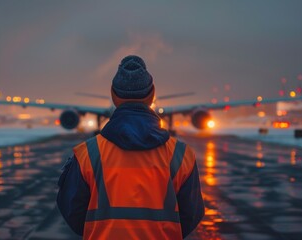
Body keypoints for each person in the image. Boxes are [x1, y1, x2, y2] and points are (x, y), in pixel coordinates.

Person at [57, 55, 204, 239]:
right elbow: (191, 214)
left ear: (113, 95)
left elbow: (72, 211)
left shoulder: (87, 153)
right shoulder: (181, 155)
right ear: (152, 95)